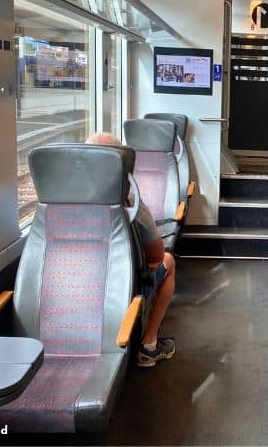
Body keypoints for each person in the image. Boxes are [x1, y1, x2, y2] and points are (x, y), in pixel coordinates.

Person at [85, 132, 176, 367]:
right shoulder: (130, 201)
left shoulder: (57, 203)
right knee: (169, 261)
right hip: (123, 283)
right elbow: (156, 255)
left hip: (72, 286)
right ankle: (149, 345)